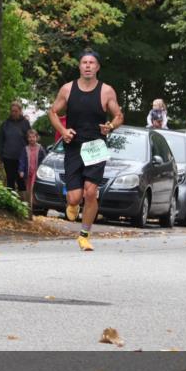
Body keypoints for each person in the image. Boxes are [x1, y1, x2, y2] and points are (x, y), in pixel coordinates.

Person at [48, 49, 124, 251]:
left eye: (92, 62)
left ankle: (84, 235)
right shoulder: (67, 89)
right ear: (80, 66)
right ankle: (72, 204)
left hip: (95, 146)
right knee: (75, 196)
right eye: (84, 62)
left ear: (97, 67)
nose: (88, 66)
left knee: (91, 192)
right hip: (73, 145)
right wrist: (63, 131)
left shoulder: (106, 91)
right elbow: (53, 112)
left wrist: (110, 126)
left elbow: (118, 116)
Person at [0, 101, 31, 191]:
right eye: (12, 111)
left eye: (16, 111)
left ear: (20, 111)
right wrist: (0, 156)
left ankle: (22, 202)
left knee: (21, 180)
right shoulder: (5, 124)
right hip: (8, 157)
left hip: (21, 158)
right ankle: (10, 202)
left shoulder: (25, 123)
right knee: (10, 180)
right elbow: (0, 140)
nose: (14, 113)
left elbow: (29, 139)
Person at [18, 128, 47, 210]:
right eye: (30, 137)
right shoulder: (25, 149)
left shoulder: (40, 148)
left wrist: (43, 170)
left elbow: (44, 160)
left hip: (36, 172)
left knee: (32, 189)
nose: (31, 139)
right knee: (28, 190)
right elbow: (22, 160)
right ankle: (28, 207)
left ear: (37, 138)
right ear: (27, 138)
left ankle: (31, 208)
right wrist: (21, 170)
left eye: (33, 137)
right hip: (28, 172)